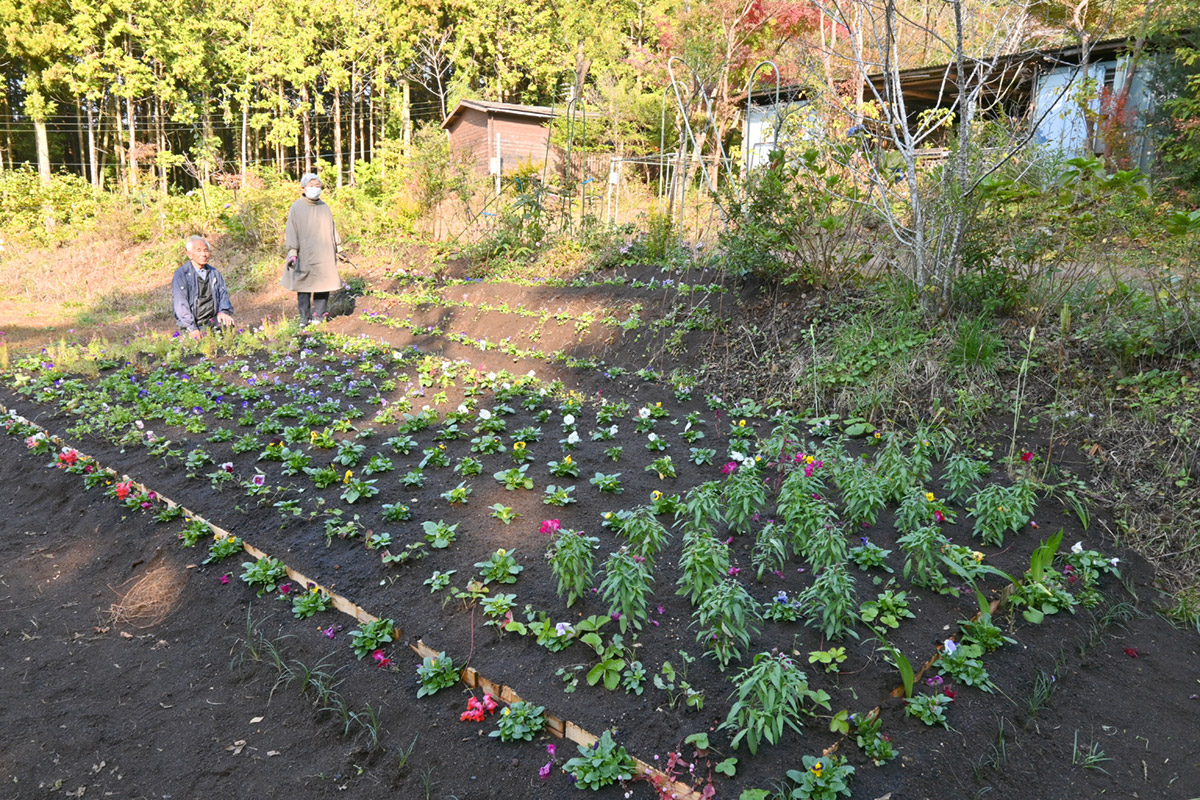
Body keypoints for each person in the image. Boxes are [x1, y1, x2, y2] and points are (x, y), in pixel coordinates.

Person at [283, 173, 346, 325]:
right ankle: (304, 318)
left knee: (323, 283)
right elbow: (291, 230)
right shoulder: (296, 207)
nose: (315, 189)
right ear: (303, 188)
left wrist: (339, 248)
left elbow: (332, 229)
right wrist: (292, 252)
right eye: (312, 186)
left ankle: (319, 316)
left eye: (318, 186)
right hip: (304, 252)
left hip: (324, 253)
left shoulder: (325, 207)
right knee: (303, 285)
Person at [171, 235, 235, 338]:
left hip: (213, 320)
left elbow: (223, 295)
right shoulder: (181, 275)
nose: (203, 254)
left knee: (227, 325)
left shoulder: (214, 273)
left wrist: (223, 312)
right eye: (198, 250)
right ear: (190, 254)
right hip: (194, 322)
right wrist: (192, 328)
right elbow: (181, 304)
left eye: (206, 250)